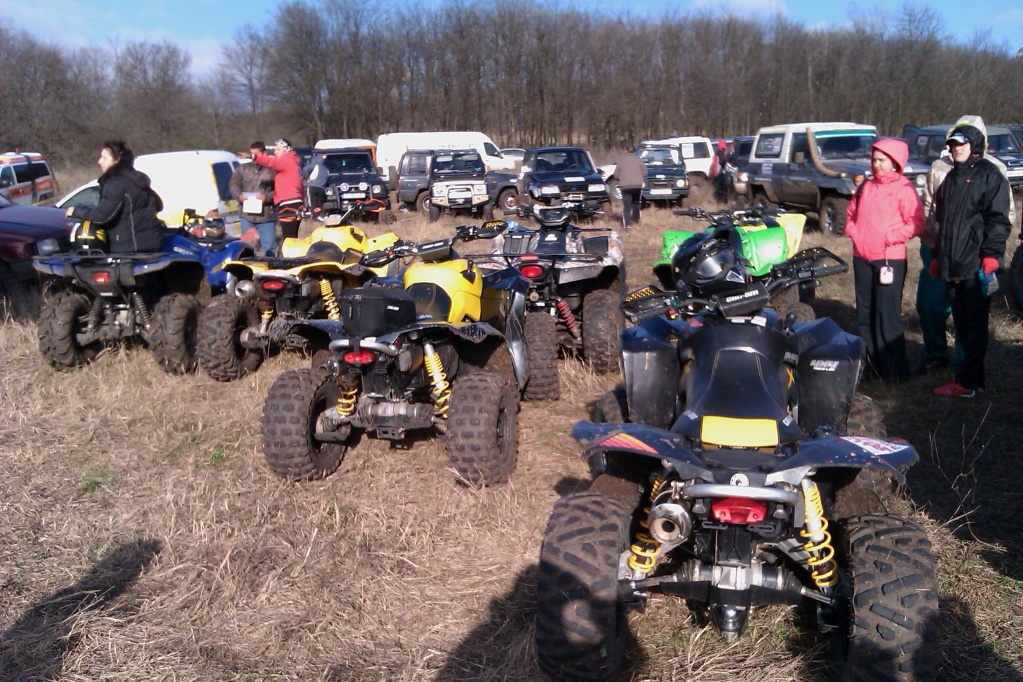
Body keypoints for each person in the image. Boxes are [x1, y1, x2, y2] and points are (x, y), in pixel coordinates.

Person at [915, 116, 1016, 375]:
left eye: (964, 141)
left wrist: (991, 252)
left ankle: (967, 371)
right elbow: (930, 207)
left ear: (977, 142)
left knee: (970, 315)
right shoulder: (942, 169)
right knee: (930, 305)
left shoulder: (992, 171)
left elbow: (1002, 215)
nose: (957, 147)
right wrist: (934, 244)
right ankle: (936, 354)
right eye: (953, 141)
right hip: (940, 249)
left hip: (973, 256)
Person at [845, 137, 925, 382]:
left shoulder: (904, 189)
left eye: (882, 160)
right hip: (862, 257)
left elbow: (916, 223)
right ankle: (871, 366)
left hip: (889, 260)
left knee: (887, 316)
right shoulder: (866, 186)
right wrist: (854, 232)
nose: (876, 164)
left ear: (895, 162)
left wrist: (889, 237)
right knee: (865, 314)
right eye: (874, 159)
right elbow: (850, 214)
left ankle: (895, 372)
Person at [65, 140, 164, 253]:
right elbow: (159, 205)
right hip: (153, 245)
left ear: (117, 159)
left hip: (128, 250)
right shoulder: (137, 180)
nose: (99, 161)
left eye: (104, 158)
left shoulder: (116, 183)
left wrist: (76, 211)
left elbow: (102, 216)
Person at [243, 138, 303, 242]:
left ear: (286, 150)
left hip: (288, 203)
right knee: (293, 237)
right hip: (296, 202)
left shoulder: (286, 161)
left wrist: (254, 156)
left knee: (288, 239)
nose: (275, 152)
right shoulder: (294, 162)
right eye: (275, 149)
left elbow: (271, 162)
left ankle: (289, 252)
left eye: (278, 149)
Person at [229, 141, 276, 257]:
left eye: (256, 154)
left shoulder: (272, 170)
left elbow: (280, 190)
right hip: (246, 216)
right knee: (246, 248)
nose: (253, 157)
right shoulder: (242, 169)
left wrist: (267, 197)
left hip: (266, 216)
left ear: (264, 153)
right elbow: (233, 184)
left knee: (269, 249)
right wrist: (239, 195)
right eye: (251, 154)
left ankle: (269, 266)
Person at [614, 144, 646, 229]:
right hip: (637, 186)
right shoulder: (639, 160)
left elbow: (615, 175)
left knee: (626, 206)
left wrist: (621, 178)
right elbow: (645, 172)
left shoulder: (621, 161)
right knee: (636, 203)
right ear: (635, 152)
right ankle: (635, 221)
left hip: (625, 187)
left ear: (626, 151)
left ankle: (627, 225)